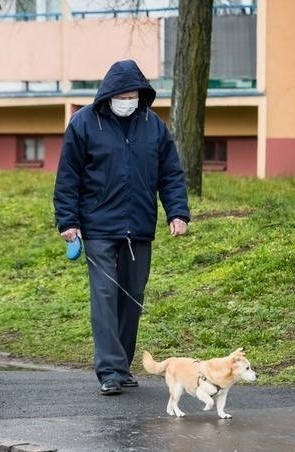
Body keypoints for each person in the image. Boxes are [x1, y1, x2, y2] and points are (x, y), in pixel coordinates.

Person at [53, 59, 190, 395]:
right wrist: (68, 221)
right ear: (109, 94)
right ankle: (110, 371)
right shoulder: (84, 124)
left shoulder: (153, 126)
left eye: (134, 94)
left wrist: (178, 212)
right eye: (122, 94)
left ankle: (122, 365)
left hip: (139, 228)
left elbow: (170, 173)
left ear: (141, 95)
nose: (128, 100)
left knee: (133, 298)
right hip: (98, 227)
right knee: (104, 296)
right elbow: (68, 176)